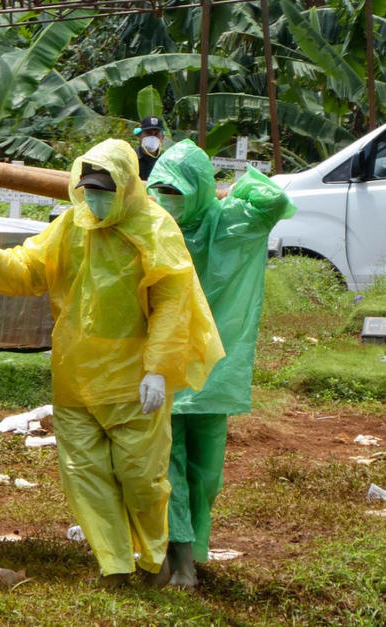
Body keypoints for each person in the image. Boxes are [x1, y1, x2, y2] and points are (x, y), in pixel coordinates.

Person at [0, 139, 224, 588]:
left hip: (133, 379)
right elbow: (32, 268)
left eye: (104, 189)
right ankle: (115, 567)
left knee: (142, 478)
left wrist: (158, 369)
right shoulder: (72, 225)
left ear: (125, 186)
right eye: (89, 190)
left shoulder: (155, 228)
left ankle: (153, 560)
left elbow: (172, 303)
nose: (95, 199)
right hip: (77, 376)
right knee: (86, 477)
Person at [147, 139, 295, 587]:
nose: (167, 199)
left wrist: (232, 191)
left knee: (206, 475)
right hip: (164, 365)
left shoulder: (230, 223)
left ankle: (192, 548)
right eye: (161, 189)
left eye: (178, 190)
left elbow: (276, 200)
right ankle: (175, 559)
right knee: (164, 467)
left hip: (213, 371)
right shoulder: (152, 224)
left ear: (200, 189)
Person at [134, 115, 166, 180]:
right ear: (139, 135)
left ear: (162, 138)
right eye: (148, 133)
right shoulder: (131, 157)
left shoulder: (164, 163)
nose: (152, 137)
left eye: (156, 134)